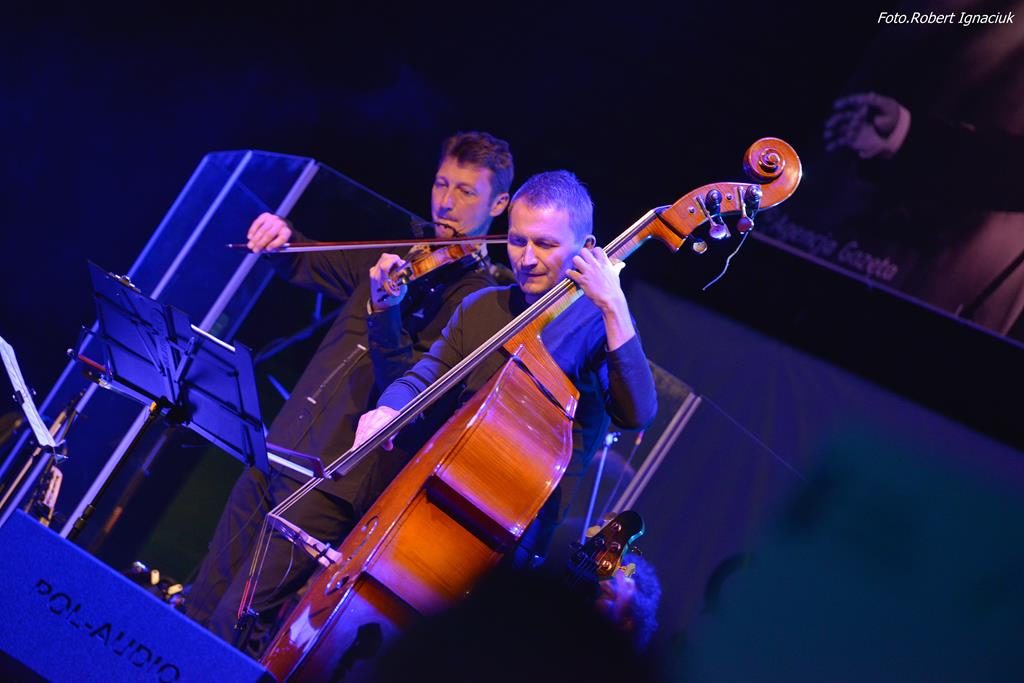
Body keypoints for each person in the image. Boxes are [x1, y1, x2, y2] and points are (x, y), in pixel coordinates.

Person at [184, 131, 514, 654]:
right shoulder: (398, 255)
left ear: (499, 204)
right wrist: (281, 235)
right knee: (201, 597)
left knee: (234, 620)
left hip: (333, 480)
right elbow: (303, 260)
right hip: (280, 448)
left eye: (466, 191)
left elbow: (402, 391)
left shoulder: (478, 304)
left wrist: (386, 312)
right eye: (441, 184)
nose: (446, 203)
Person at [354, 169, 658, 562]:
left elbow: (637, 414)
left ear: (586, 248)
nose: (527, 259)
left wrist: (614, 307)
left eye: (545, 244)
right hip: (433, 491)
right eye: (517, 241)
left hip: (512, 529)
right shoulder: (483, 305)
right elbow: (425, 376)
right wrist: (388, 409)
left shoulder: (599, 325)